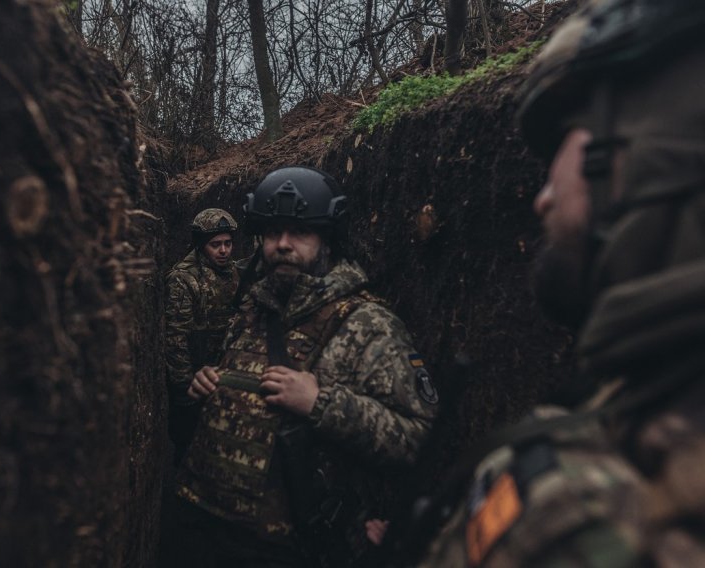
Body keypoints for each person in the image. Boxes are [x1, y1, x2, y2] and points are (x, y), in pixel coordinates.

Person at [396, 0, 705, 566]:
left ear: (645, 154)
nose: (542, 198)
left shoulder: (588, 515)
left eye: (565, 138)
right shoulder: (636, 412)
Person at [172, 166, 440, 567]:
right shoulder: (253, 310)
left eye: (300, 232)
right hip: (207, 532)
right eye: (273, 232)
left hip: (292, 547)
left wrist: (321, 403)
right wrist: (211, 382)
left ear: (327, 239)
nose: (283, 244)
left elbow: (419, 438)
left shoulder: (367, 325)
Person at [165, 208, 240, 465]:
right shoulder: (183, 279)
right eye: (215, 245)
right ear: (200, 245)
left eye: (228, 243)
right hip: (196, 380)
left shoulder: (234, 272)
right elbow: (176, 338)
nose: (223, 251)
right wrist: (183, 389)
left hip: (225, 373)